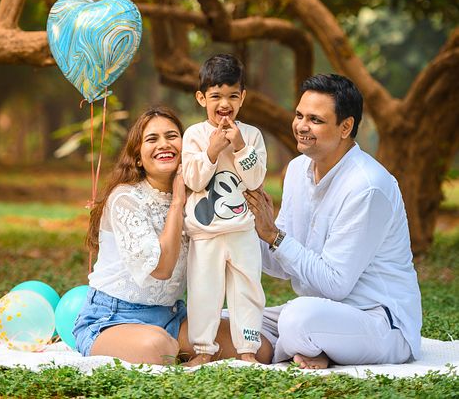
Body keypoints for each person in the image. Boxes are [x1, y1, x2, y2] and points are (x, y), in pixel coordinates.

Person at [246, 73, 422, 369]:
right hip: (323, 313)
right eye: (299, 115)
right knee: (227, 319)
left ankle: (306, 345)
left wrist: (274, 236)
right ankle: (309, 348)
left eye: (315, 119)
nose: (301, 126)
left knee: (297, 320)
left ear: (346, 127)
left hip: (380, 321)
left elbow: (335, 283)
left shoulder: (367, 186)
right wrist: (244, 227)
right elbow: (280, 264)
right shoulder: (297, 170)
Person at [73, 107, 191, 364]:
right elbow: (162, 269)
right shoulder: (125, 198)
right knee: (158, 347)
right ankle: (170, 348)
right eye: (152, 139)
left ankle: (175, 346)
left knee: (253, 346)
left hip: (171, 315)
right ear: (138, 158)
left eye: (172, 136)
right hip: (113, 318)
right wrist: (177, 202)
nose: (164, 144)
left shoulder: (196, 198)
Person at [181, 53, 267, 366]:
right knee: (204, 291)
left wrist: (240, 146)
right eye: (216, 96)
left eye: (232, 95)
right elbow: (193, 180)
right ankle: (204, 349)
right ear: (201, 98)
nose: (224, 103)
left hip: (242, 231)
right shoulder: (194, 135)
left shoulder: (252, 135)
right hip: (205, 233)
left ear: (242, 97)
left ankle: (248, 350)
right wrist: (213, 150)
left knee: (247, 289)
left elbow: (255, 179)